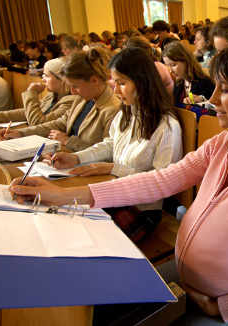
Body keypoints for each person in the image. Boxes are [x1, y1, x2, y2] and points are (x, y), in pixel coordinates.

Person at [10, 41, 228, 326]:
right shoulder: (226, 143)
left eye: (224, 90)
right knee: (104, 301)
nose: (212, 100)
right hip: (194, 285)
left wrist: (225, 306)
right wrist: (64, 196)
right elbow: (162, 180)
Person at [46, 47, 182, 241]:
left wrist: (113, 168)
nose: (115, 90)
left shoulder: (167, 126)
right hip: (117, 192)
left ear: (142, 82)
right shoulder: (127, 113)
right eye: (115, 82)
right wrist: (76, 157)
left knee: (85, 236)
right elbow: (110, 144)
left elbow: (163, 182)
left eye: (122, 83)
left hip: (142, 208)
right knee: (64, 218)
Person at [0, 47, 120, 152]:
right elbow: (60, 123)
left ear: (94, 80)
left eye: (75, 86)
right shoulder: (83, 99)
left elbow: (108, 152)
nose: (72, 91)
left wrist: (68, 141)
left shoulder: (112, 109)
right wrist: (21, 133)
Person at [0, 58, 77, 125]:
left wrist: (31, 93)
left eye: (46, 76)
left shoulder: (70, 101)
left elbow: (38, 123)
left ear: (61, 80)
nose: (43, 79)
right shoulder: (52, 95)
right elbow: (28, 112)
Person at [163, 41, 215, 107]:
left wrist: (202, 99)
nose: (170, 71)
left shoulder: (204, 82)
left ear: (186, 61)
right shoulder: (178, 84)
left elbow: (213, 105)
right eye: (167, 65)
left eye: (173, 65)